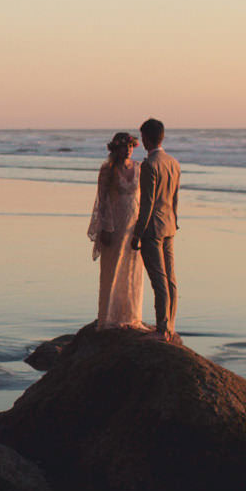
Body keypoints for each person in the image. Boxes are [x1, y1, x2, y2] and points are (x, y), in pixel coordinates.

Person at [86, 131, 145, 329]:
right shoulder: (107, 170)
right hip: (115, 223)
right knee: (113, 267)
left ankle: (131, 315)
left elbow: (143, 198)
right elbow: (102, 202)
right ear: (115, 149)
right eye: (123, 147)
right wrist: (106, 227)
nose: (127, 150)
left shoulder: (139, 168)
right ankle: (110, 316)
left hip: (133, 223)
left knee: (132, 268)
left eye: (130, 147)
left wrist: (143, 224)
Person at [131, 117, 181, 339]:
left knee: (159, 280)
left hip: (153, 228)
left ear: (146, 138)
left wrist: (137, 233)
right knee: (170, 279)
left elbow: (147, 203)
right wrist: (175, 221)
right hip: (170, 224)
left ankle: (162, 329)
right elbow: (175, 197)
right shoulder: (173, 162)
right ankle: (170, 324)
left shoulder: (149, 165)